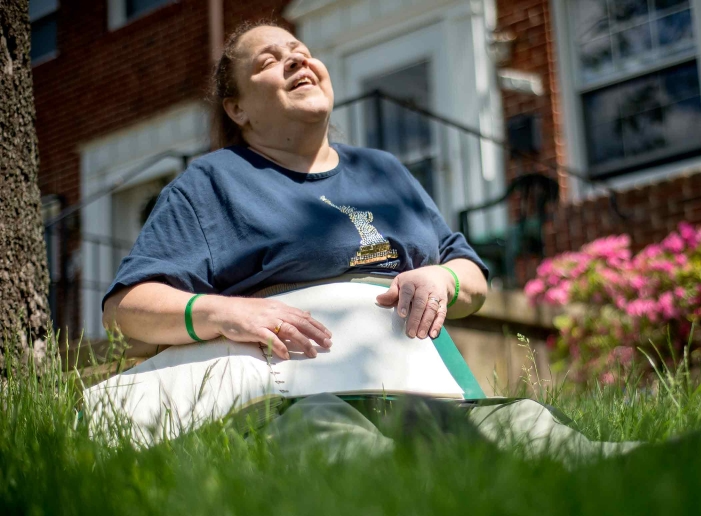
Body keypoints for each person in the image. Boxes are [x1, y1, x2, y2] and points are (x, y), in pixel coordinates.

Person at [101, 19, 638, 464]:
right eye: (268, 61)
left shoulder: (384, 171)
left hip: (425, 389)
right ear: (237, 110)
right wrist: (224, 313)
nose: (295, 61)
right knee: (348, 454)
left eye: (301, 51)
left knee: (529, 425)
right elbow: (126, 308)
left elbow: (470, 275)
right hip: (300, 402)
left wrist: (441, 278)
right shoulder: (211, 182)